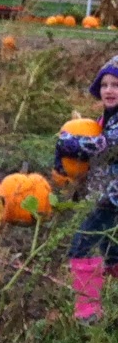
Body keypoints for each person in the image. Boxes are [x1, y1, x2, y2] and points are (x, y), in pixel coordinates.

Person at [57, 60, 118, 320]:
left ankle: (88, 312)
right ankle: (109, 305)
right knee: (110, 251)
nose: (109, 90)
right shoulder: (104, 120)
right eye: (104, 85)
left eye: (116, 84)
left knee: (82, 246)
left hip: (112, 199)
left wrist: (67, 140)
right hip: (106, 197)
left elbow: (103, 146)